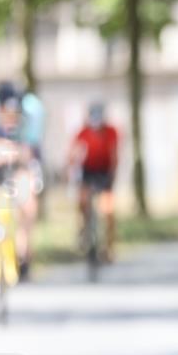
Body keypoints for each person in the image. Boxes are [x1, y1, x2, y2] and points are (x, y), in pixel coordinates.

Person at [0, 81, 45, 292]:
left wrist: (6, 151)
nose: (11, 118)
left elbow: (28, 153)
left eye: (15, 113)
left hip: (18, 165)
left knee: (28, 201)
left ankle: (24, 254)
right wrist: (4, 151)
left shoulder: (34, 113)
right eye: (6, 112)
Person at [69, 102, 119, 262]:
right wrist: (71, 169)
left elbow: (114, 154)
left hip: (104, 172)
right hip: (88, 171)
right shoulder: (83, 131)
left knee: (108, 211)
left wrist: (112, 175)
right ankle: (83, 230)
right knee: (83, 201)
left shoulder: (111, 131)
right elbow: (73, 152)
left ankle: (109, 247)